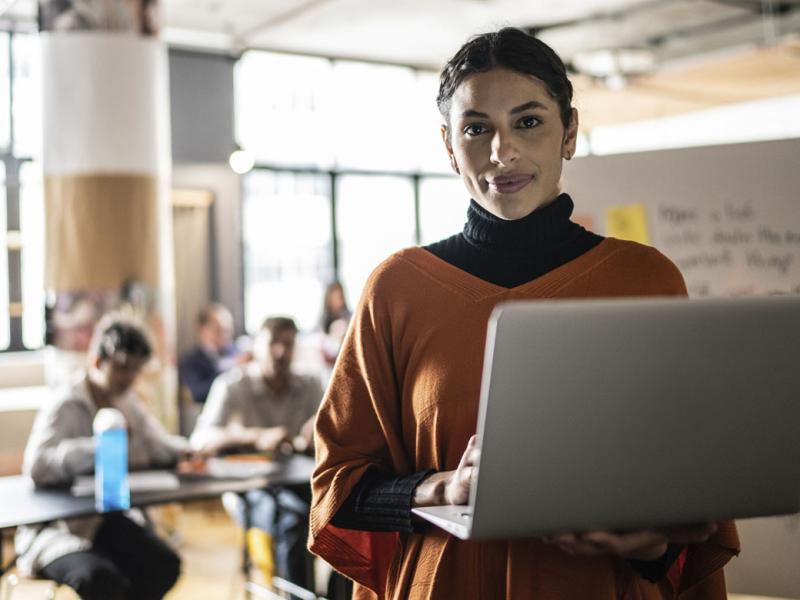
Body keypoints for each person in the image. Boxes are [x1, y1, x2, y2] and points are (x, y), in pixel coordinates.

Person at [308, 28, 740, 600]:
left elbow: (693, 511)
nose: (501, 152)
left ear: (570, 132)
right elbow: (337, 489)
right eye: (476, 128)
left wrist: (651, 546)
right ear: (448, 145)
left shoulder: (645, 279)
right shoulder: (397, 288)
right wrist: (445, 488)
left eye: (528, 122)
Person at [15, 312, 186, 600]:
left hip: (100, 520)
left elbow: (157, 443)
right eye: (122, 368)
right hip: (56, 528)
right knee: (101, 580)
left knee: (164, 565)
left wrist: (190, 449)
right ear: (97, 361)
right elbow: (37, 466)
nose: (129, 378)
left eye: (135, 370)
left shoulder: (126, 400)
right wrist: (100, 448)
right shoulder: (66, 403)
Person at [191, 316, 322, 588]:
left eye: (288, 344)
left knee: (345, 512)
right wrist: (255, 436)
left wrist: (322, 432)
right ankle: (292, 591)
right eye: (274, 342)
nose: (281, 352)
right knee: (292, 519)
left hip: (299, 481)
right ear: (256, 346)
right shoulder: (232, 386)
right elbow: (199, 442)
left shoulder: (309, 384)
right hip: (248, 487)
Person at [178, 303, 242, 405]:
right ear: (202, 329)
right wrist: (231, 371)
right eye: (218, 329)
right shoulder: (190, 361)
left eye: (228, 330)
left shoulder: (238, 353)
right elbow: (195, 393)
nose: (224, 334)